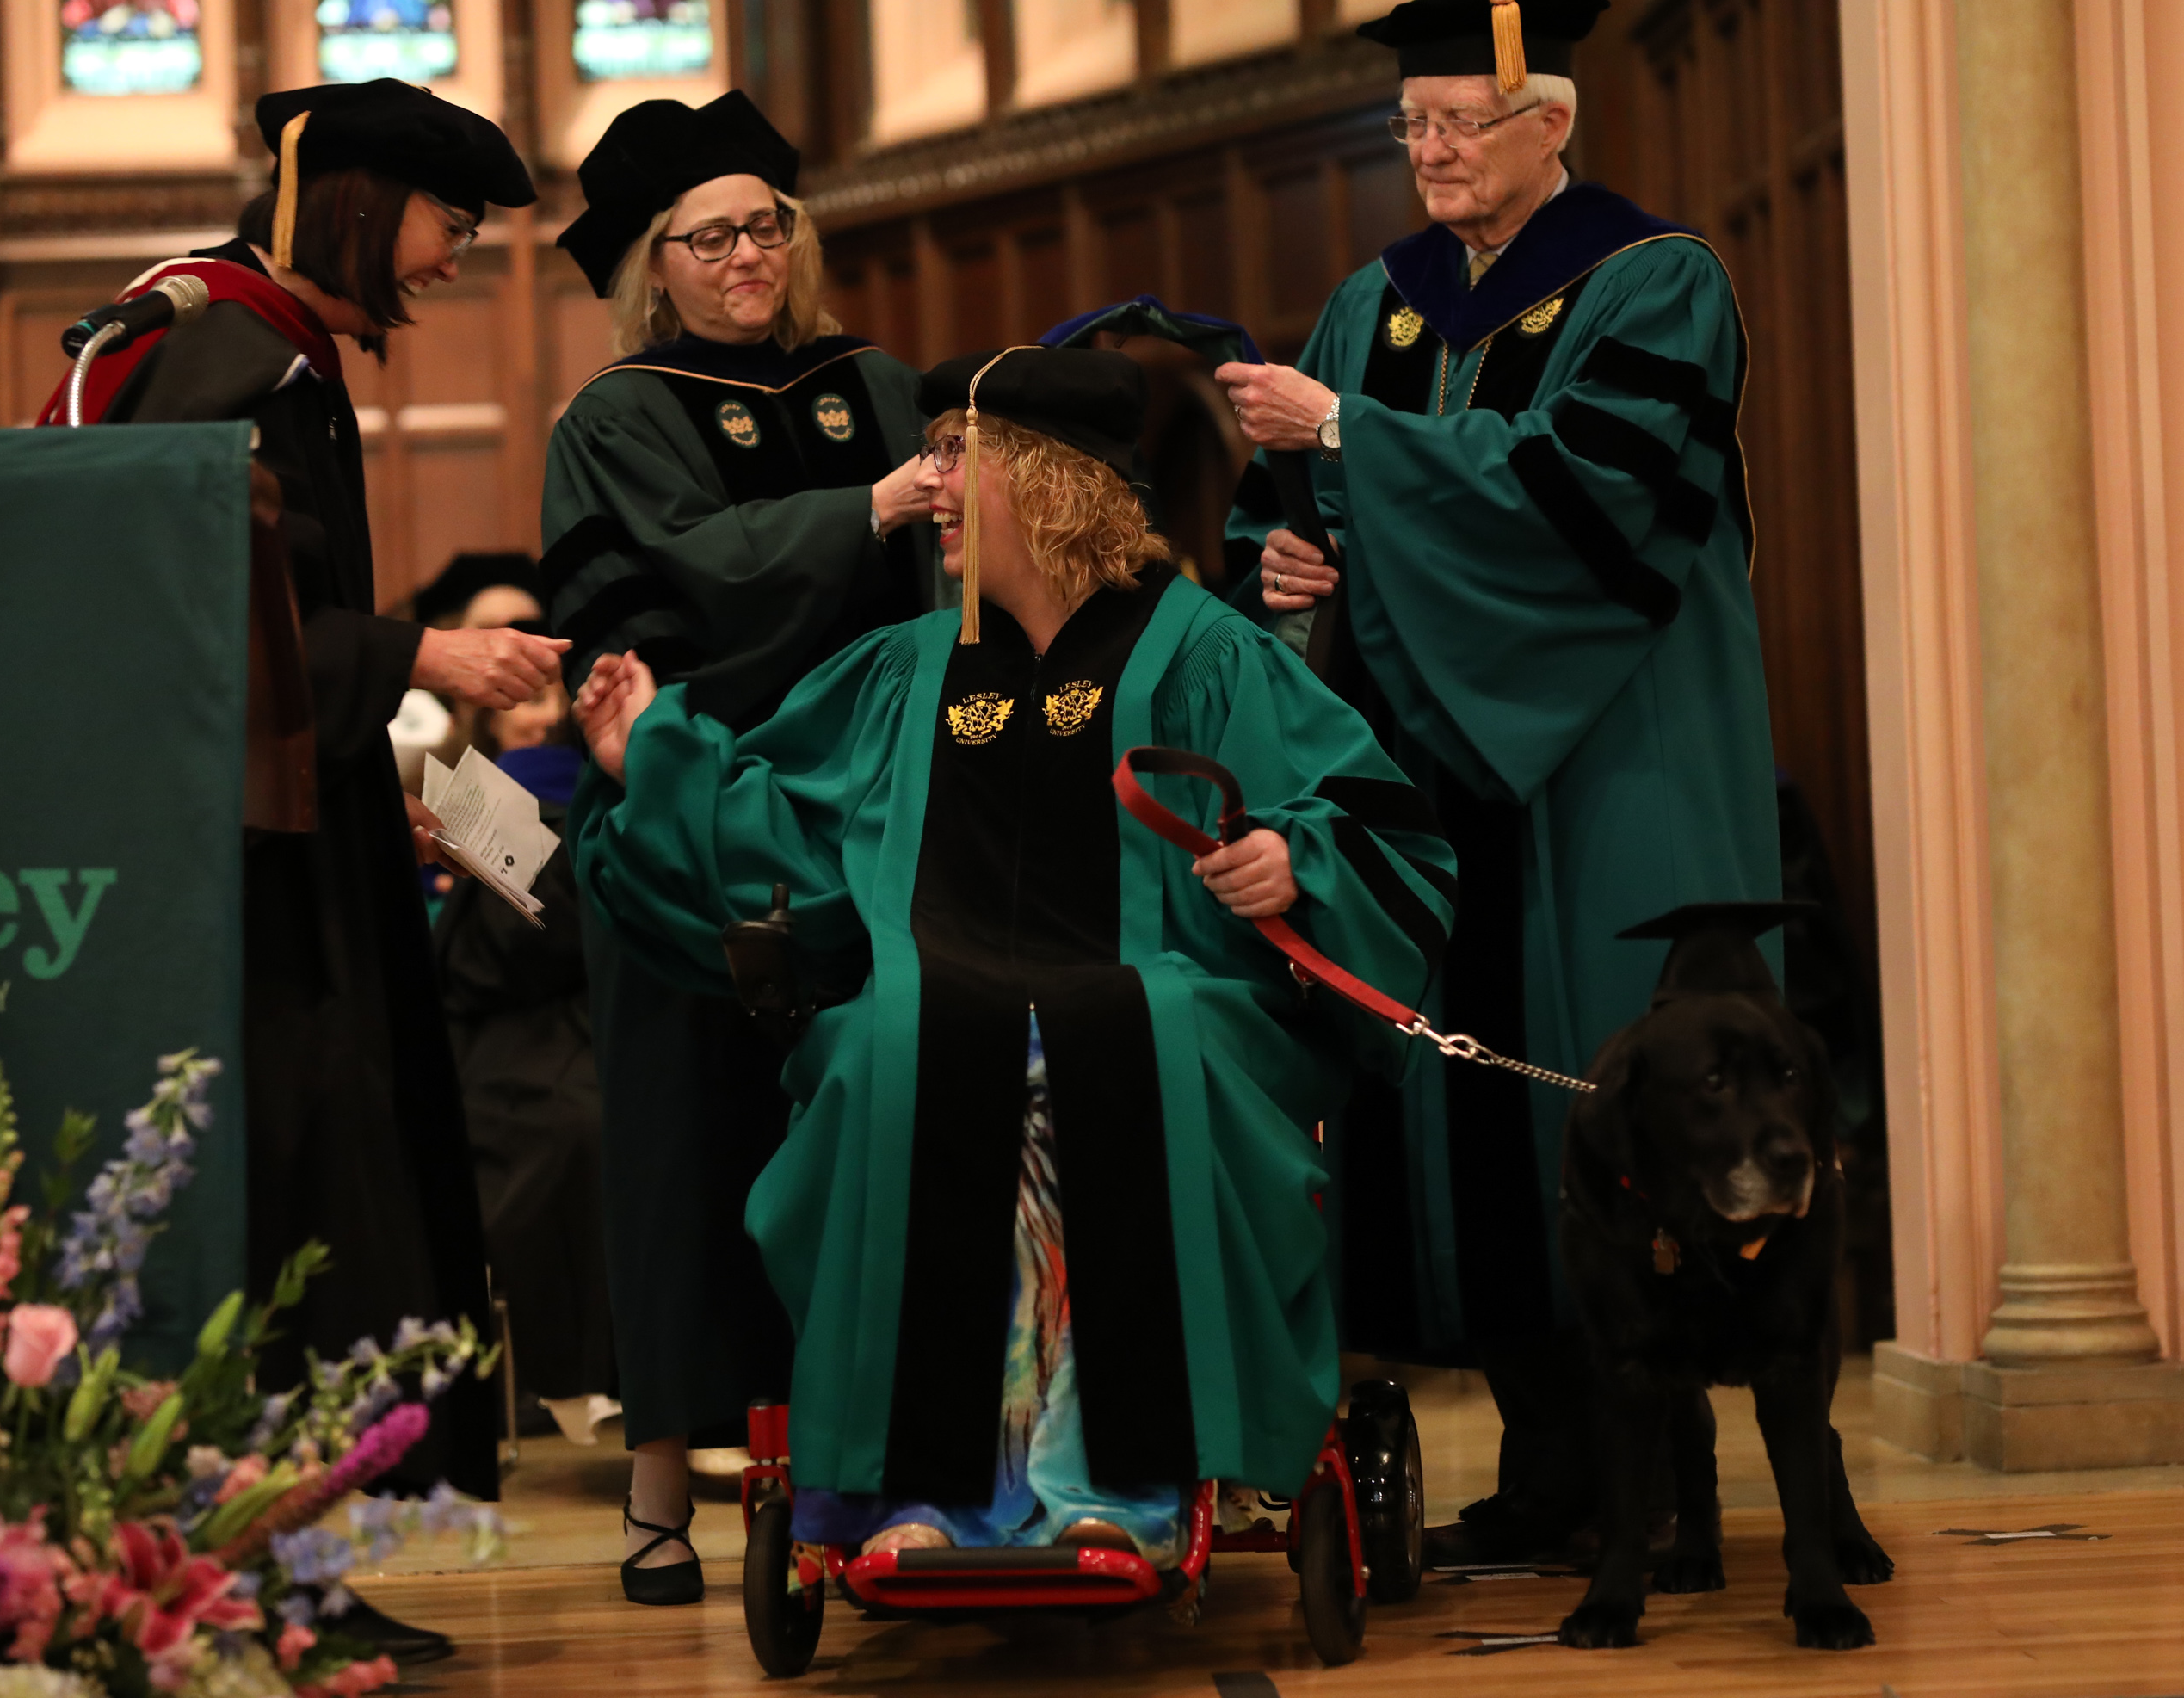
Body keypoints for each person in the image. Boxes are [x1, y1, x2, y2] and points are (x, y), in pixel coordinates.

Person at [565, 345, 1455, 1558]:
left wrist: (1294, 860)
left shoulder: (1202, 652)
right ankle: (923, 1494)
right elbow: (792, 829)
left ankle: (1121, 1484)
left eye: (953, 460)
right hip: (944, 998)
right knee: (894, 1043)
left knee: (1129, 1042)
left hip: (1171, 996)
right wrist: (652, 759)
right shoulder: (909, 671)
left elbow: (1363, 815)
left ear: (1045, 485)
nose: (929, 488)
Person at [1214, 0, 1781, 1564]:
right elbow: (1289, 513)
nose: (1435, 153)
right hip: (1425, 767)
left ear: (1552, 126)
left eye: (1464, 124)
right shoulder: (1373, 306)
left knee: (1610, 1101)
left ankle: (1666, 1494)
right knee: (1461, 1108)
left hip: (1608, 755)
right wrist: (1284, 563)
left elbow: (1599, 504)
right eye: (1413, 127)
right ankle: (1546, 1474)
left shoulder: (1654, 283)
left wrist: (1356, 451)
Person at [42, 80, 560, 1652]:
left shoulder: (261, 345)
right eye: (446, 224)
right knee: (291, 1207)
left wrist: (364, 785)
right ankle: (249, 1590)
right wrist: (424, 655)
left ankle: (292, 1579)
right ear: (352, 201)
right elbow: (178, 623)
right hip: (235, 900)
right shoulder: (231, 355)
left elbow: (262, 636)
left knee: (336, 1204)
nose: (455, 259)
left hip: (283, 848)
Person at [538, 89, 944, 1603]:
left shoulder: (877, 383)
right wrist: (875, 506)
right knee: (679, 1154)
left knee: (864, 1142)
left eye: (765, 227)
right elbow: (677, 583)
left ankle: (872, 1474)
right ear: (656, 263)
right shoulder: (619, 416)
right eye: (707, 237)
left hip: (867, 820)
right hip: (691, 819)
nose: (744, 258)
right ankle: (659, 1497)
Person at [431, 682, 620, 1444]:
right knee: (567, 1129)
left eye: (548, 695)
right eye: (520, 697)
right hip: (505, 1035)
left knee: (593, 1124)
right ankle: (579, 1376)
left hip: (569, 1018)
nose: (538, 713)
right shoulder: (462, 785)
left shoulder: (595, 781)